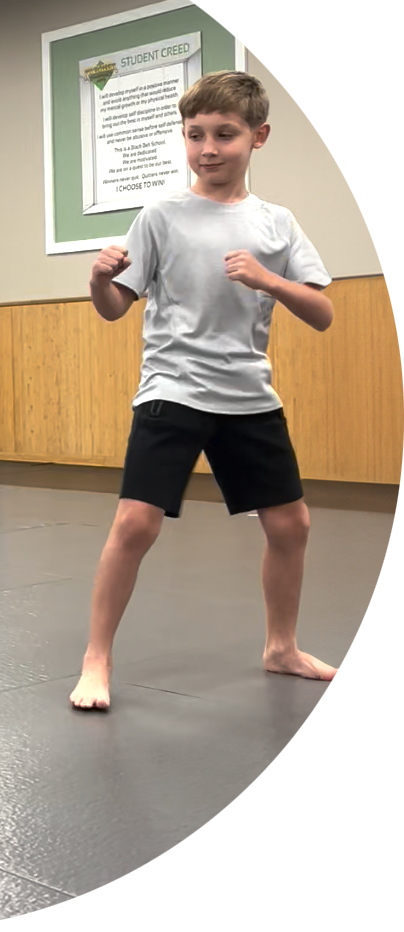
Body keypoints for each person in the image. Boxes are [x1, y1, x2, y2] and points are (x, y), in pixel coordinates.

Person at [70, 72, 345, 712]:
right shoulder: (161, 215)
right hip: (173, 388)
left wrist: (269, 281)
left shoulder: (276, 222)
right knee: (134, 523)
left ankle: (282, 647)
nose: (208, 148)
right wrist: (97, 279)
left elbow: (323, 312)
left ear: (259, 136)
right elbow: (115, 309)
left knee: (291, 525)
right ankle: (96, 658)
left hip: (248, 394)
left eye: (225, 134)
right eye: (195, 135)